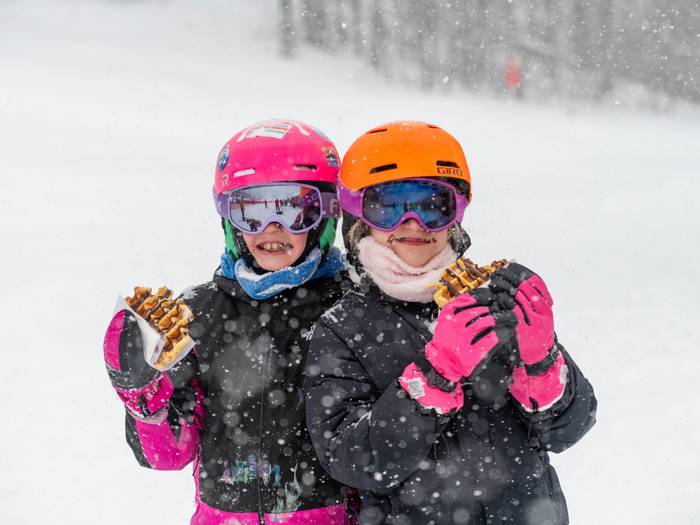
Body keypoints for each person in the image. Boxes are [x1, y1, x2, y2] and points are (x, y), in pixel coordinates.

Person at [304, 121, 597, 525]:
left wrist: (541, 360)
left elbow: (567, 430)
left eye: (431, 205)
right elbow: (354, 460)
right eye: (388, 207)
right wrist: (434, 375)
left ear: (455, 215)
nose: (413, 224)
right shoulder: (343, 328)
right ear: (359, 219)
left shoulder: (496, 300)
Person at [103, 119, 357, 525]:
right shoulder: (197, 313)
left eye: (294, 208)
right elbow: (168, 455)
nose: (273, 229)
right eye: (251, 212)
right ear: (227, 218)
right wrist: (143, 396)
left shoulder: (351, 309)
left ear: (327, 214)